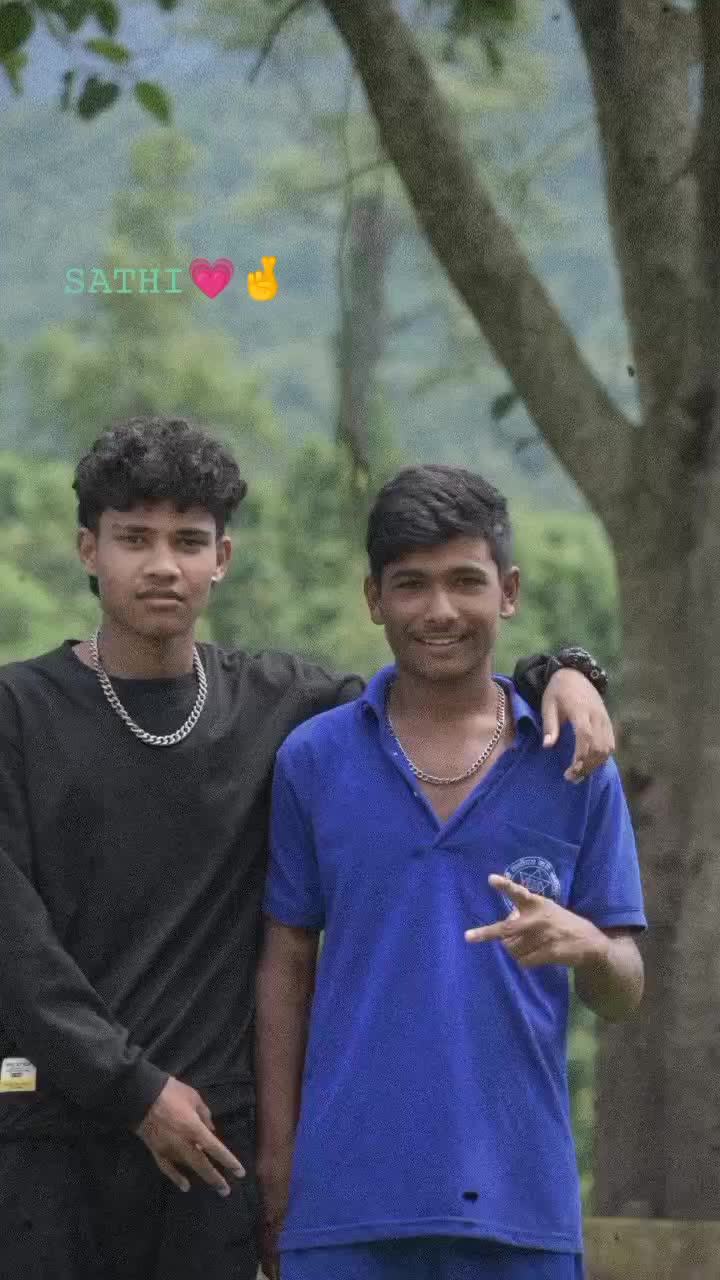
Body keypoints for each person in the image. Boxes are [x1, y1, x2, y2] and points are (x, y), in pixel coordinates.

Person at [0, 418, 614, 1280]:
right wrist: (132, 1090)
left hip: (211, 1146)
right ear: (87, 549)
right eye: (134, 539)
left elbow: (439, 682)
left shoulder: (278, 706)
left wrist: (566, 671)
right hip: (47, 1134)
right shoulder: (17, 713)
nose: (163, 565)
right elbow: (16, 950)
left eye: (189, 540)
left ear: (223, 557)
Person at [257, 464, 646, 1280]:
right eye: (411, 584)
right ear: (374, 598)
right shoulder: (314, 759)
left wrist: (589, 947)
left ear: (508, 591)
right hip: (342, 1206)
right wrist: (278, 1162)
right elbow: (286, 964)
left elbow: (623, 988)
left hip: (522, 1209)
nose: (439, 610)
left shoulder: (574, 762)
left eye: (466, 581)